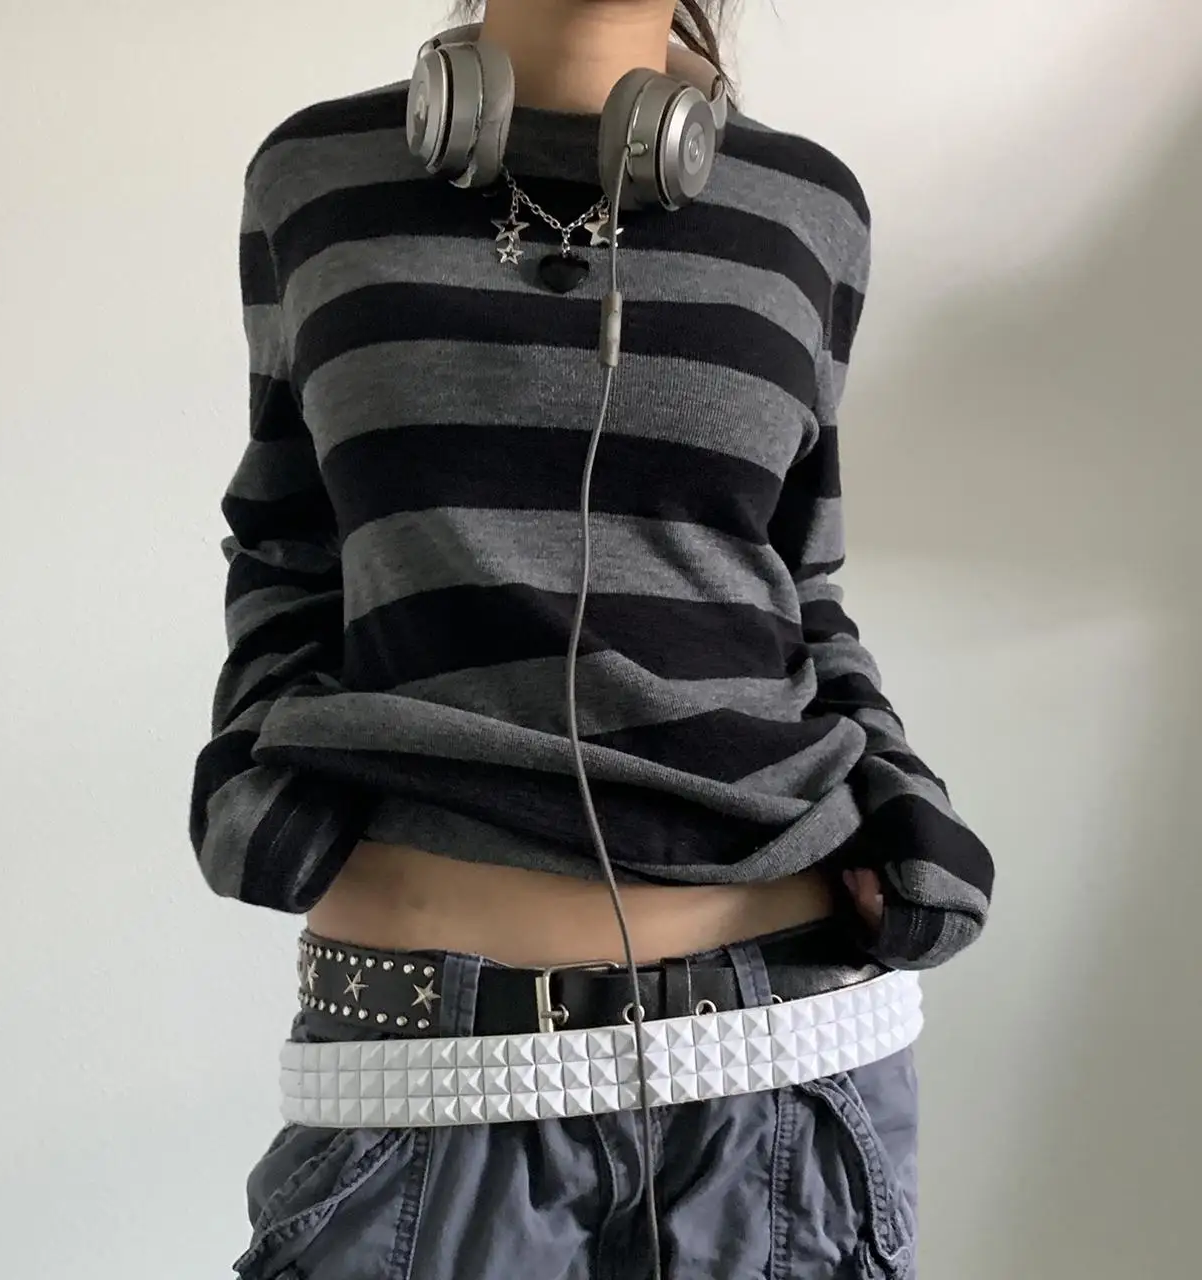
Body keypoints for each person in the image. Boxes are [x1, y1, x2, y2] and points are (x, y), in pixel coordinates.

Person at [189, 1, 996, 1276]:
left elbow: (796, 575)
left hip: (788, 1062)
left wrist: (900, 800)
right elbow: (287, 542)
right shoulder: (312, 177)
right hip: (427, 1063)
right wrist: (255, 780)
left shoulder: (806, 206)